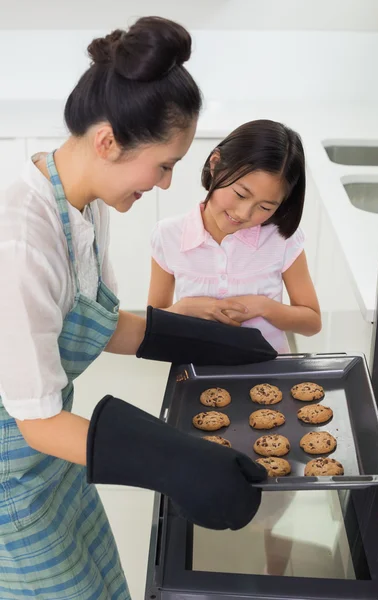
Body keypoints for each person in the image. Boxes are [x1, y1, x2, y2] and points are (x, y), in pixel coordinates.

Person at [0, 18, 276, 599]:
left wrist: (208, 341)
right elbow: (36, 418)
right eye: (165, 164)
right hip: (12, 489)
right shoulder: (20, 241)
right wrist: (179, 463)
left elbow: (96, 324)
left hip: (58, 466)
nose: (169, 182)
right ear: (108, 142)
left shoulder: (82, 201)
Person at [148, 119, 322, 574]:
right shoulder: (169, 235)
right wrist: (186, 308)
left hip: (273, 379)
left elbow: (312, 318)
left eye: (266, 205)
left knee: (275, 499)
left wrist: (264, 306)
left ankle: (274, 576)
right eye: (241, 194)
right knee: (204, 498)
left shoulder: (281, 239)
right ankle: (207, 574)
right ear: (215, 164)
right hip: (198, 387)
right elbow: (152, 322)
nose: (247, 214)